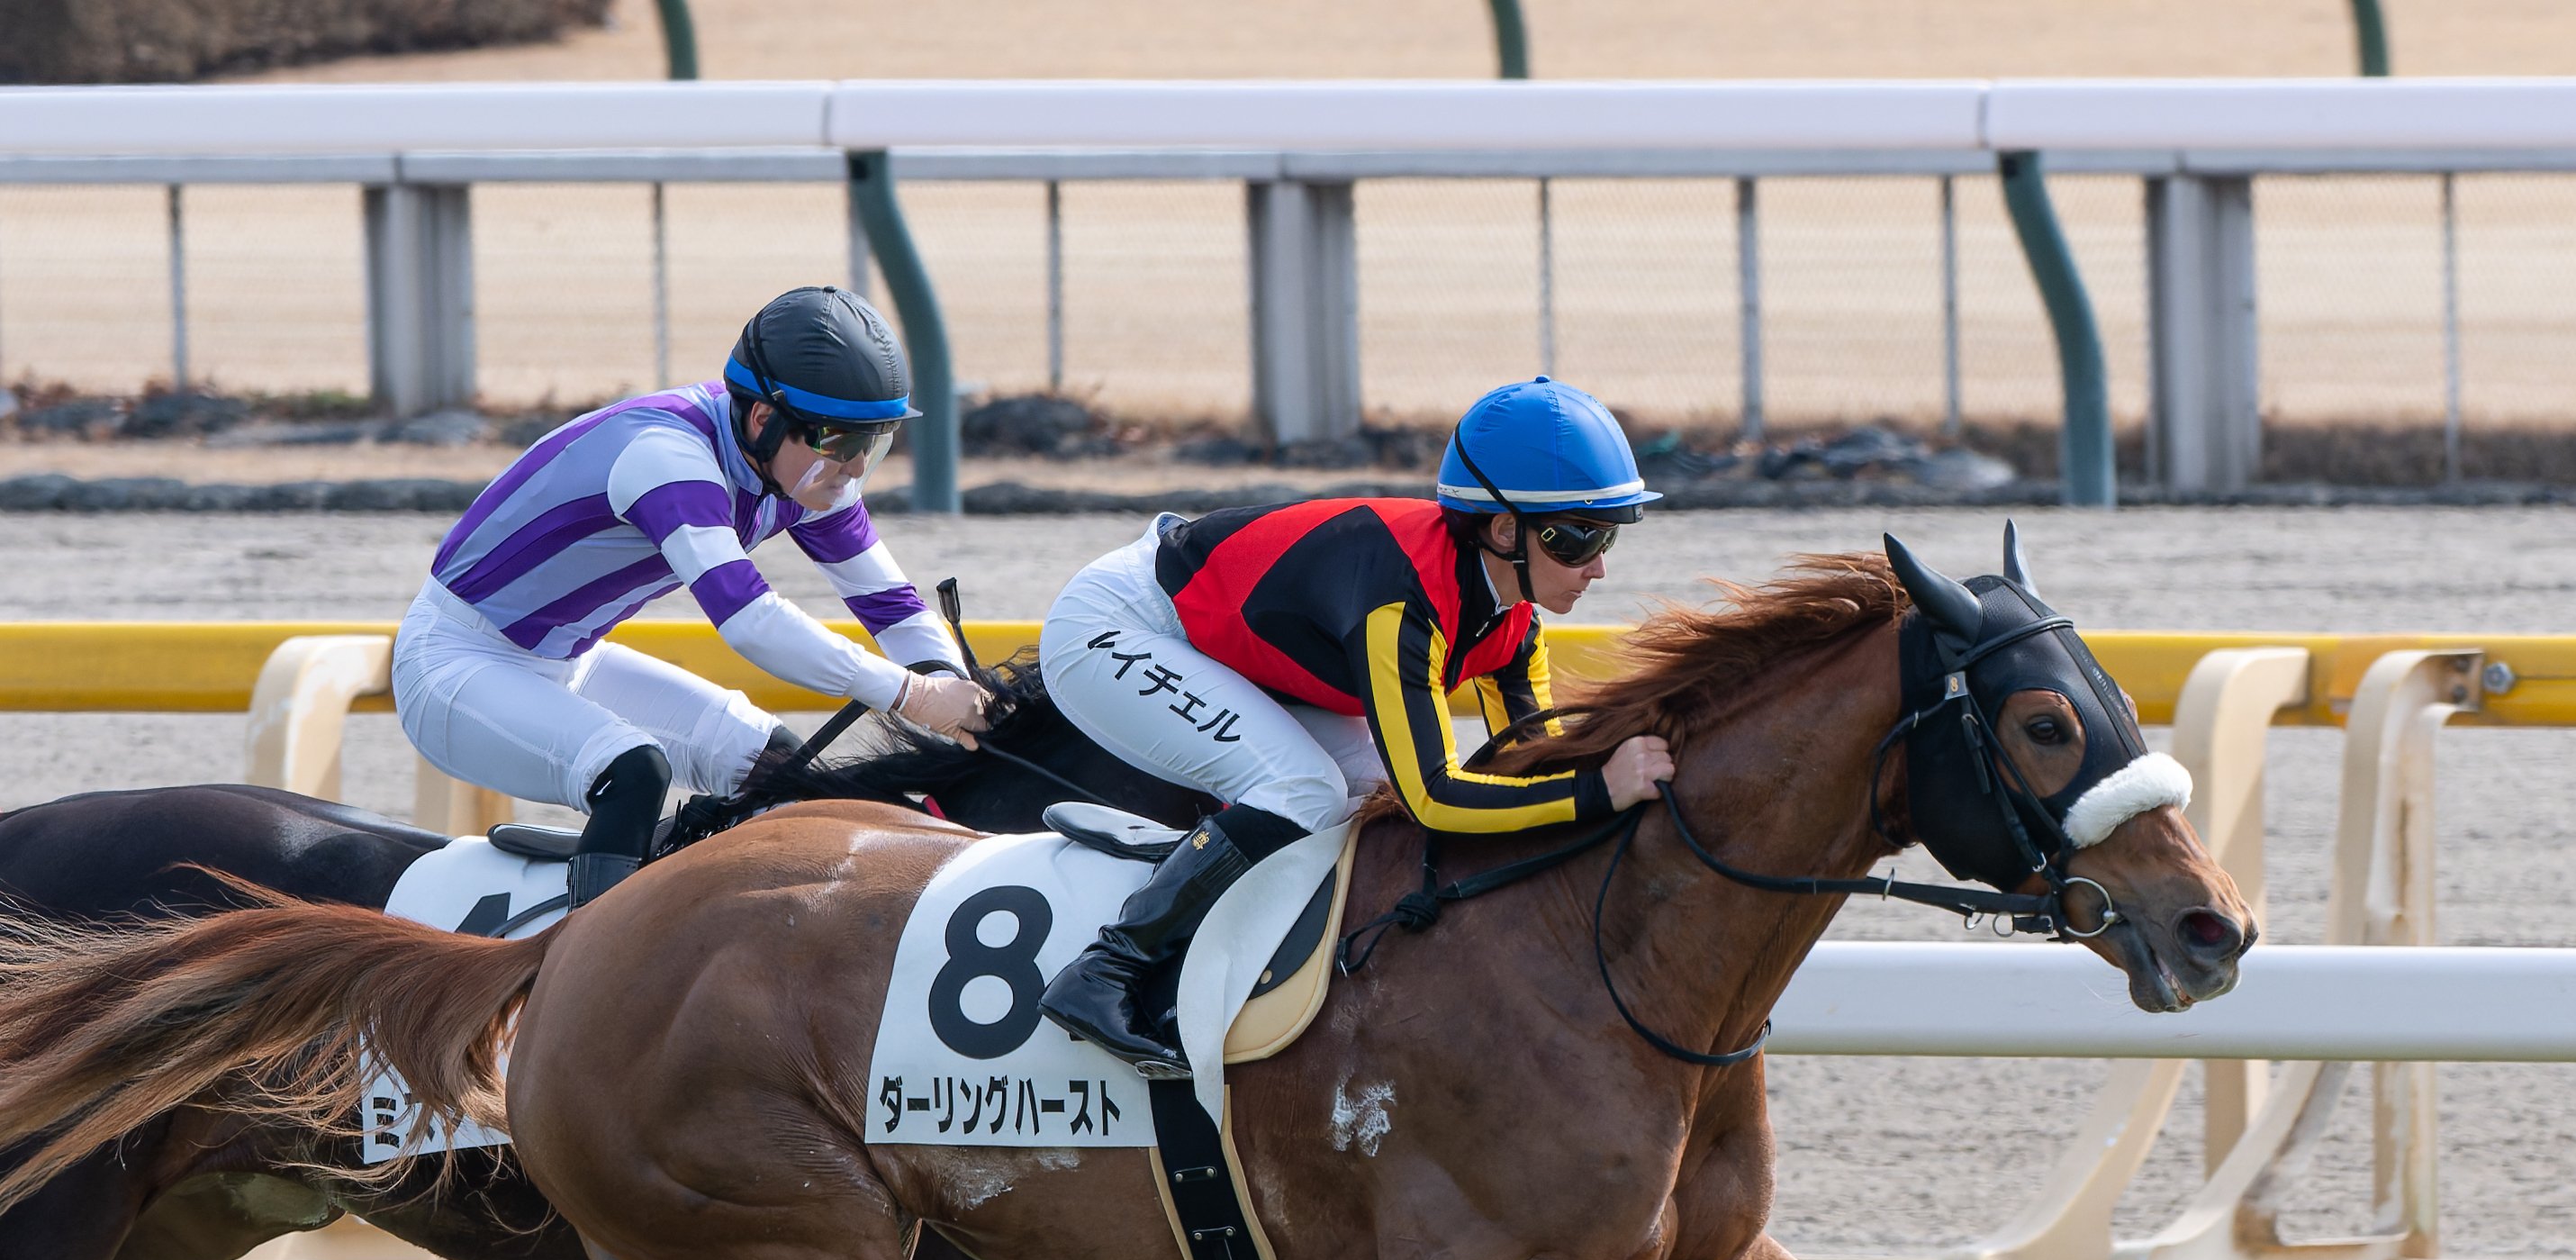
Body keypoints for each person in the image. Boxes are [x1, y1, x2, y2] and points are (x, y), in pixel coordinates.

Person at [1036, 375, 1677, 1076]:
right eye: (1579, 539)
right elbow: (1436, 795)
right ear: (1503, 530)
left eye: (1610, 534)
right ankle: (1104, 972)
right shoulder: (1401, 603)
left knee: (1369, 795)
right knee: (1302, 791)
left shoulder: (1512, 616)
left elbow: (1531, 757)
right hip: (1118, 627)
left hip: (1225, 645)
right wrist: (1598, 793)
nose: (1600, 568)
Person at [391, 286, 987, 904]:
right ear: (763, 420)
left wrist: (954, 686)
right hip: (454, 665)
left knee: (776, 765)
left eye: (876, 442)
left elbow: (890, 604)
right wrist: (913, 694)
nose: (856, 467)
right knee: (634, 769)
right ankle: (583, 981)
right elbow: (751, 620)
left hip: (568, 660)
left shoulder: (801, 469)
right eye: (841, 443)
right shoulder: (666, 457)